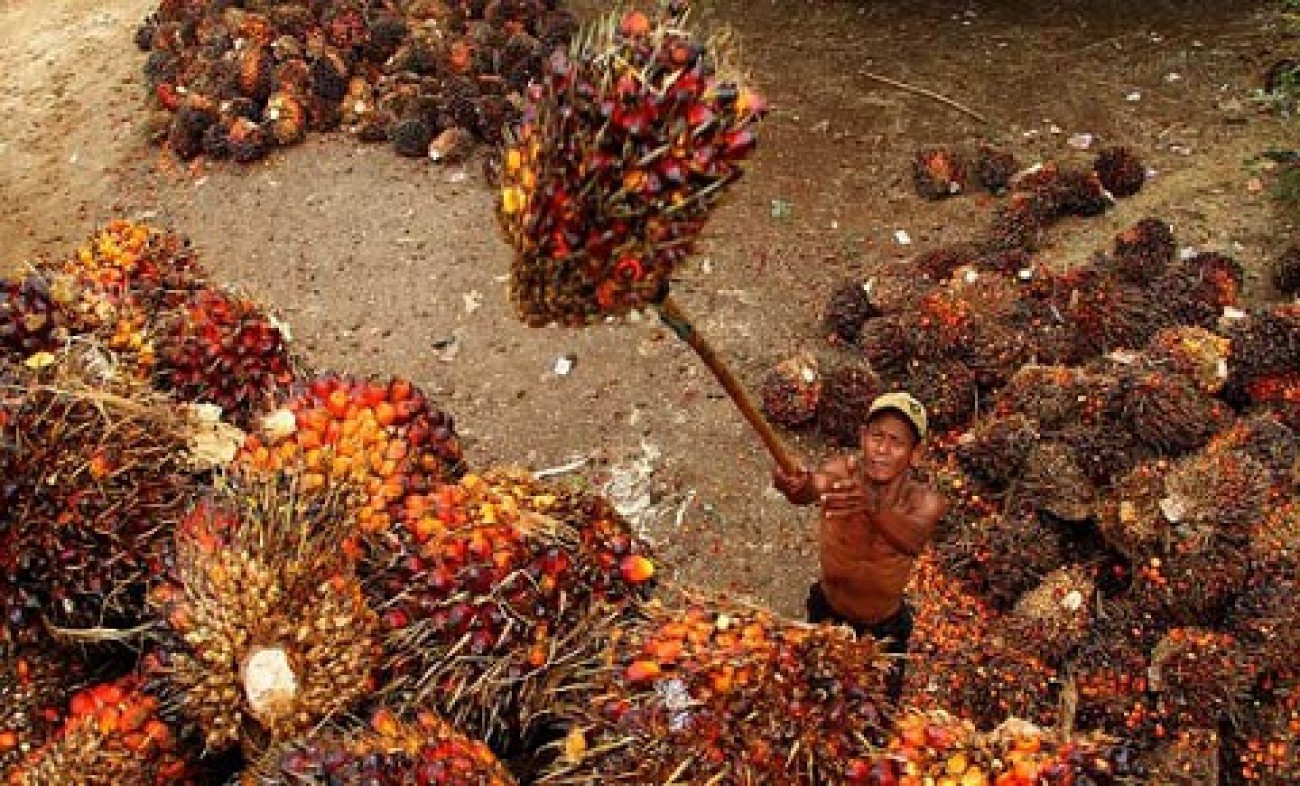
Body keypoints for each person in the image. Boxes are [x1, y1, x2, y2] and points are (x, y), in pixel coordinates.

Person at [772, 391, 947, 705]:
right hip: (829, 611)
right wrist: (794, 485)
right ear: (862, 436)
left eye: (896, 442)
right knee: (816, 703)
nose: (882, 450)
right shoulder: (842, 473)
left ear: (915, 453)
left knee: (876, 714)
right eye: (876, 437)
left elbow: (912, 540)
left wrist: (872, 508)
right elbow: (812, 487)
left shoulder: (925, 501)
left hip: (883, 629)